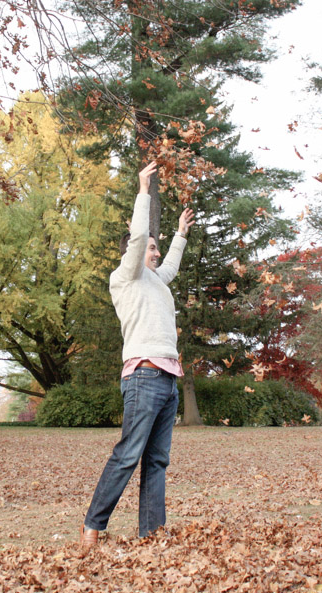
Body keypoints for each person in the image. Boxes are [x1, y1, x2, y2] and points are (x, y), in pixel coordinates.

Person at [80, 160, 195, 548]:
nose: (155, 251)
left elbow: (172, 267)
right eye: (150, 246)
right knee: (129, 455)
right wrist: (144, 191)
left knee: (156, 461)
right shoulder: (125, 277)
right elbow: (139, 235)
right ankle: (93, 525)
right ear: (133, 250)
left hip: (167, 380)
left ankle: (152, 533)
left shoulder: (157, 281)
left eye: (156, 248)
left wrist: (179, 235)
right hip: (143, 376)